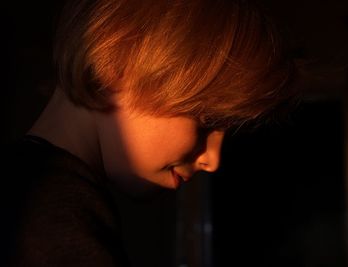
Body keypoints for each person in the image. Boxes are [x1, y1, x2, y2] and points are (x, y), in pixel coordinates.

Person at [2, 0, 297, 266]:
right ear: (116, 60)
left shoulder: (29, 190)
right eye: (205, 120)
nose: (213, 160)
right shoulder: (53, 220)